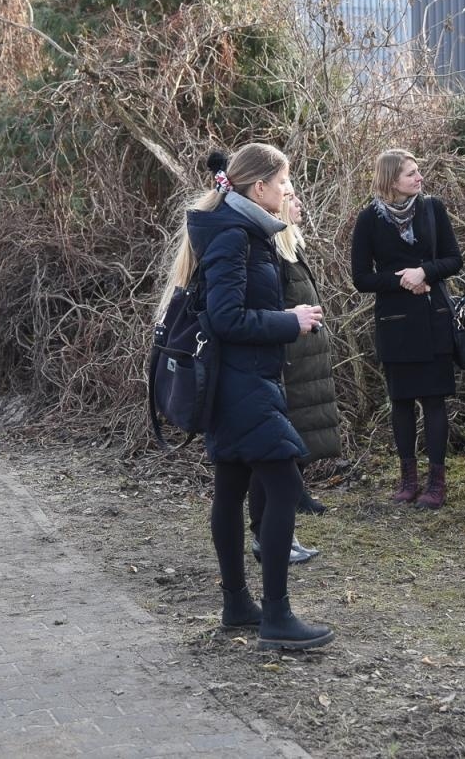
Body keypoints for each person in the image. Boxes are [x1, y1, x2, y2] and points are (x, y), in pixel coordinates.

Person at [162, 146, 333, 650]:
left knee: (232, 487)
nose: (287, 192)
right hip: (240, 384)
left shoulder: (241, 232)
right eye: (283, 184)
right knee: (282, 487)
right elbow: (226, 318)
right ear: (258, 188)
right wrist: (290, 321)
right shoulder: (236, 236)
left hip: (240, 381)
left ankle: (238, 605)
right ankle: (276, 616)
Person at [351, 149, 463, 509]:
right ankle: (408, 481)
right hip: (394, 322)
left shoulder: (433, 209)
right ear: (390, 181)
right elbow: (361, 278)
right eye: (411, 174)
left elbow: (454, 259)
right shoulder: (369, 219)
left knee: (433, 400)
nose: (419, 178)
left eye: (418, 172)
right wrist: (402, 280)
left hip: (433, 318)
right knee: (401, 402)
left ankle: (436, 484)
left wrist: (426, 273)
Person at [249, 191, 341, 564]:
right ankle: (266, 537)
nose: (301, 202)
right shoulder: (272, 254)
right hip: (289, 370)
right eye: (290, 196)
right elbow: (270, 314)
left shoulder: (290, 250)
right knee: (274, 461)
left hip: (305, 368)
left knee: (286, 459)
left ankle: (281, 535)